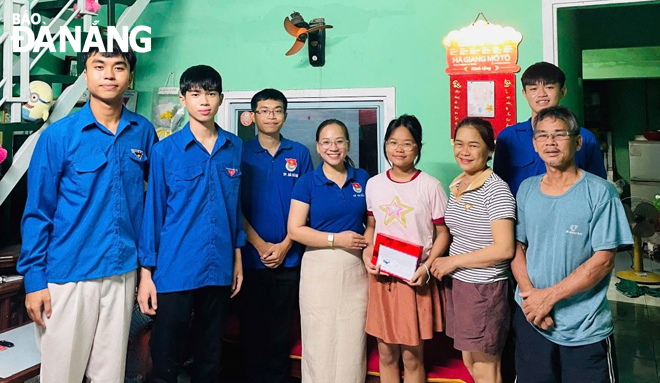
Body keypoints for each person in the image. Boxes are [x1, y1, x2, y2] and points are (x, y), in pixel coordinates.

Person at [18, 41, 157, 383]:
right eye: (99, 66)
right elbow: (38, 212)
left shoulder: (143, 132)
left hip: (122, 272)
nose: (108, 75)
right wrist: (34, 281)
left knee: (110, 376)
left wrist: (146, 271)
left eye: (118, 67)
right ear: (85, 73)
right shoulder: (58, 137)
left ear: (129, 75)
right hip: (69, 276)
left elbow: (153, 206)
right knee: (61, 376)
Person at [137, 65, 245, 383]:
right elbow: (153, 213)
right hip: (175, 269)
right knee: (166, 360)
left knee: (210, 358)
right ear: (183, 99)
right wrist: (146, 274)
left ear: (221, 99)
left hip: (220, 268)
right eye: (196, 94)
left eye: (210, 93)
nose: (204, 101)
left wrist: (237, 258)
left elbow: (234, 207)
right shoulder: (164, 151)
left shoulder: (233, 148)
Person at [511, 106, 632, 383]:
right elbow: (516, 248)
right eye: (542, 135)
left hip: (584, 328)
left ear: (577, 141)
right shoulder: (527, 189)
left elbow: (603, 261)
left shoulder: (601, 192)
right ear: (534, 143)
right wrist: (531, 298)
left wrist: (548, 298)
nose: (550, 142)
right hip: (532, 321)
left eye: (559, 135)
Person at [363, 114, 450, 383]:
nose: (399, 149)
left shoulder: (430, 186)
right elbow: (371, 227)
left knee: (413, 358)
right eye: (392, 142)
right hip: (381, 279)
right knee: (386, 355)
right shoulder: (374, 184)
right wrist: (367, 253)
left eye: (407, 144)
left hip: (415, 280)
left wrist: (426, 267)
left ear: (418, 148)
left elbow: (443, 233)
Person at [430, 117, 516, 383]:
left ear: (490, 150)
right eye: (459, 144)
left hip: (484, 289)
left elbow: (504, 249)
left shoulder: (496, 190)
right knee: (470, 359)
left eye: (473, 145)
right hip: (462, 285)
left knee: (485, 367)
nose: (464, 152)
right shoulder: (459, 184)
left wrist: (452, 262)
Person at [239, 88, 313, 383]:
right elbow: (233, 206)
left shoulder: (300, 153)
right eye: (265, 110)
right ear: (253, 115)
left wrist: (285, 246)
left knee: (281, 333)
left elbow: (306, 207)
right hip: (250, 260)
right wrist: (258, 245)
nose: (271, 116)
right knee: (251, 332)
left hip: (290, 259)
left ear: (285, 115)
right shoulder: (240, 152)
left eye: (277, 110)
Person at [288, 119, 370, 383]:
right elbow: (296, 230)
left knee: (352, 339)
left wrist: (366, 246)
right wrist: (336, 239)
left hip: (356, 269)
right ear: (318, 146)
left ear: (347, 144)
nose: (332, 147)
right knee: (320, 338)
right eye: (326, 142)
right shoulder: (307, 183)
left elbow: (373, 222)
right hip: (318, 267)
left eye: (338, 141)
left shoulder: (364, 179)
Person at [494, 61, 606, 196]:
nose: (541, 94)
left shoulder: (585, 138)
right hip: (521, 214)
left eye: (549, 87)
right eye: (533, 89)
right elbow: (499, 188)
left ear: (563, 91)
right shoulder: (508, 137)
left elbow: (598, 186)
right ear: (524, 93)